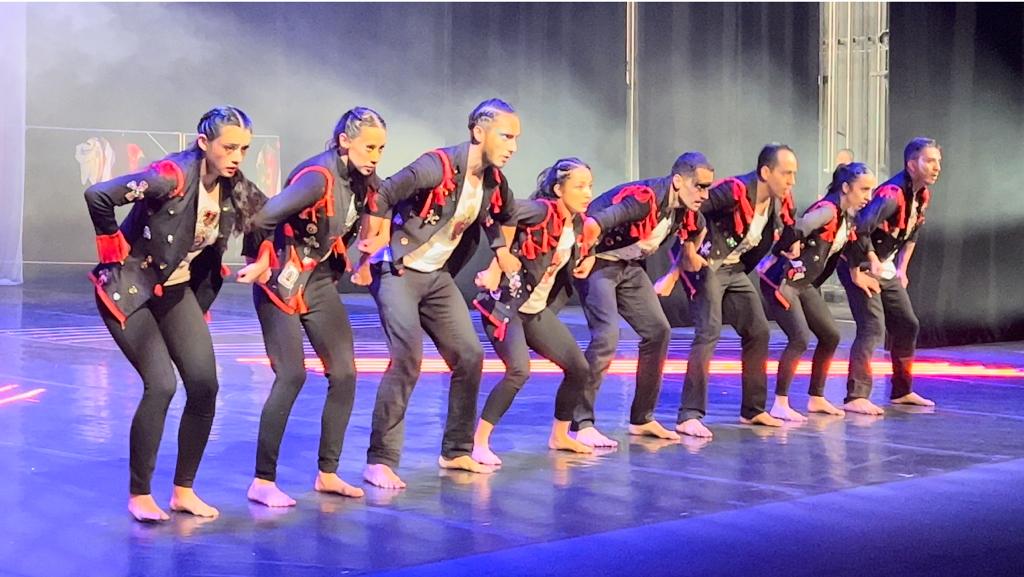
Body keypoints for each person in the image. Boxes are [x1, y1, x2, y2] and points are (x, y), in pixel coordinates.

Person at [84, 106, 265, 521]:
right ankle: (140, 494)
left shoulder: (234, 186)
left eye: (244, 149)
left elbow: (267, 217)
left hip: (174, 289)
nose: (237, 156)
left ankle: (184, 490)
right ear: (204, 143)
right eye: (229, 147)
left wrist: (261, 256)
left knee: (204, 385)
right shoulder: (169, 175)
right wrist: (110, 242)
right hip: (128, 289)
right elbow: (98, 195)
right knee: (161, 385)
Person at [353, 99, 520, 489]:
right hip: (397, 269)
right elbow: (383, 192)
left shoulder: (494, 181)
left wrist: (501, 255)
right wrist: (373, 239)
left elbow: (504, 216)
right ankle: (380, 460)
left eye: (516, 139)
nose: (512, 146)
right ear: (479, 132)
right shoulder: (437, 165)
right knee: (408, 358)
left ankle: (457, 450)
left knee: (470, 354)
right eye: (506, 136)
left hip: (436, 276)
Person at [237, 107, 387, 506]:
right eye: (368, 147)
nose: (375, 156)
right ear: (344, 141)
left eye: (380, 149)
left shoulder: (365, 181)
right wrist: (260, 259)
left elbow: (387, 204)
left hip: (318, 282)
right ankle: (262, 481)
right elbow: (262, 218)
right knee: (292, 375)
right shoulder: (317, 178)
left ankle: (328, 473)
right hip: (280, 281)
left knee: (345, 373)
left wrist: (372, 251)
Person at [571, 152, 714, 447]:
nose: (705, 194)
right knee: (607, 335)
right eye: (699, 186)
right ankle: (580, 422)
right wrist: (583, 256)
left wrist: (675, 272)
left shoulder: (686, 211)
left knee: (658, 331)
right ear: (677, 181)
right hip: (597, 260)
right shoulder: (644, 198)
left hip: (629, 268)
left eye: (708, 187)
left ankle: (642, 418)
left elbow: (698, 232)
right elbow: (593, 223)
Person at [470, 157, 596, 466]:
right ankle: (478, 443)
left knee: (579, 368)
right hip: (506, 307)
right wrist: (495, 266)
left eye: (590, 186)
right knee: (519, 371)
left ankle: (560, 435)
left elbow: (583, 245)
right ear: (558, 189)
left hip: (535, 311)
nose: (587, 193)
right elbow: (504, 215)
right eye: (579, 186)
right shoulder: (541, 210)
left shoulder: (577, 222)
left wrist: (589, 257)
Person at [757, 162, 877, 421]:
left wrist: (860, 270)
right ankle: (780, 402)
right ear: (846, 188)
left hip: (804, 283)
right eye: (864, 189)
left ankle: (816, 397)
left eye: (871, 190)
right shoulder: (828, 210)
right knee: (799, 337)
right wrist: (775, 256)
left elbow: (851, 245)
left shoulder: (846, 216)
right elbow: (799, 227)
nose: (869, 196)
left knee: (830, 336)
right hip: (782, 281)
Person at [838, 137, 941, 414]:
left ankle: (901, 391)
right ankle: (856, 395)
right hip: (857, 262)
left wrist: (902, 269)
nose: (936, 167)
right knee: (872, 325)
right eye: (929, 161)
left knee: (907, 324)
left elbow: (912, 233)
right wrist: (865, 264)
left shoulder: (921, 195)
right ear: (911, 164)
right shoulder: (891, 194)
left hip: (883, 266)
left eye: (938, 162)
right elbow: (859, 228)